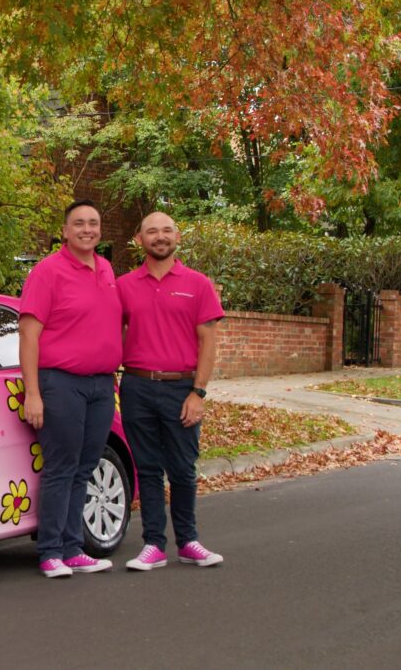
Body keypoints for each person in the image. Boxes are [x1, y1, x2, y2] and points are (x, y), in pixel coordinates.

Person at [19, 199, 122, 578]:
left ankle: (73, 547)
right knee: (61, 467)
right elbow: (29, 334)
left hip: (100, 385)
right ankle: (50, 552)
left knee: (85, 467)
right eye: (78, 223)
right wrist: (33, 393)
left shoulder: (107, 269)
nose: (87, 229)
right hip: (61, 383)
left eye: (93, 223)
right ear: (64, 231)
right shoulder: (47, 272)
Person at [118, 211, 225, 570]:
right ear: (139, 239)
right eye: (152, 231)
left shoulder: (198, 284)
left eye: (166, 231)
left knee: (182, 469)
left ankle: (189, 541)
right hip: (136, 386)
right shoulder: (124, 286)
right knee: (147, 470)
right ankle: (153, 545)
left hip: (182, 388)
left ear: (177, 237)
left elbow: (208, 342)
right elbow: (106, 332)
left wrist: (199, 392)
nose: (159, 237)